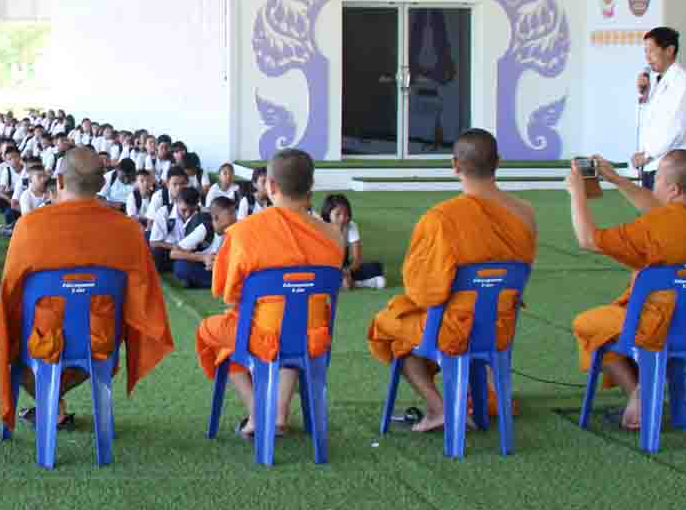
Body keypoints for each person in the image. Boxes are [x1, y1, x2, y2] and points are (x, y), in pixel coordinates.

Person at [365, 129, 538, 432]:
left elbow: (424, 292)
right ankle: (469, 394)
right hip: (499, 329)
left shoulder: (441, 218)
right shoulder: (526, 213)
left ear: (455, 166)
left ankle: (439, 408)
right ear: (498, 162)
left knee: (386, 326)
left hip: (452, 330)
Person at [0, 147, 173, 430]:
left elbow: (10, 293)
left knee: (10, 334)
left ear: (59, 181)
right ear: (102, 184)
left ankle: (50, 402)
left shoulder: (29, 226)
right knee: (97, 330)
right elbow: (143, 295)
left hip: (43, 338)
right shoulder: (127, 230)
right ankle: (56, 402)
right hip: (100, 338)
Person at [570, 151, 686, 430]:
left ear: (673, 189)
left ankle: (638, 393)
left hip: (651, 327)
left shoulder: (655, 226)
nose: (652, 185)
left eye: (657, 180)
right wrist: (616, 179)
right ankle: (645, 389)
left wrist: (576, 193)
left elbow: (588, 239)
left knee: (586, 325)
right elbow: (669, 214)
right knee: (622, 320)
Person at [195, 149, 344, 436]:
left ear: (271, 186)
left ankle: (258, 411)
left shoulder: (245, 233)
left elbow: (226, 291)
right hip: (313, 336)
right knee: (293, 324)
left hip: (262, 335)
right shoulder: (333, 235)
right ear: (310, 186)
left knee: (210, 332)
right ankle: (279, 412)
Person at [632, 27, 686, 190]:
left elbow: (677, 127)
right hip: (654, 165)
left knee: (669, 208)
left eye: (651, 51)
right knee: (651, 207)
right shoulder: (658, 82)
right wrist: (643, 96)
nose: (647, 57)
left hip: (675, 168)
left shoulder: (683, 82)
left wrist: (647, 154)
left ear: (669, 50)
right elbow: (647, 124)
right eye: (645, 51)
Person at [319, 194, 385, 289]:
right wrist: (337, 272)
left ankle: (343, 282)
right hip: (325, 266)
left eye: (346, 214)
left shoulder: (351, 226)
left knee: (376, 268)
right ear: (327, 214)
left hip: (344, 265)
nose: (343, 218)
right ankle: (360, 283)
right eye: (338, 214)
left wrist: (347, 271)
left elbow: (357, 259)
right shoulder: (320, 227)